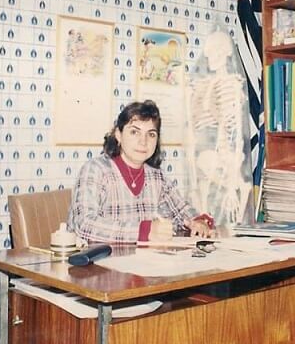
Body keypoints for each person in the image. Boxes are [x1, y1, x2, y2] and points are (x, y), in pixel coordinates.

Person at [67, 100, 214, 244]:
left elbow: (182, 212)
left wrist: (198, 222)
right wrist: (144, 231)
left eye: (151, 134)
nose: (143, 141)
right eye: (134, 132)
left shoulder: (156, 176)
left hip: (143, 258)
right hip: (96, 259)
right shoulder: (96, 169)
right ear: (118, 135)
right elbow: (84, 224)